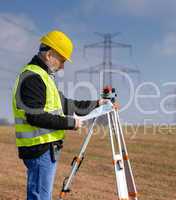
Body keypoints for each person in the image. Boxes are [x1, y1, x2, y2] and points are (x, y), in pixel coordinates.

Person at [12, 30, 108, 200]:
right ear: (49, 55)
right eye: (62, 60)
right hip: (39, 148)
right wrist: (71, 123)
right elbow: (36, 117)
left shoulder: (44, 77)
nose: (63, 66)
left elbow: (66, 104)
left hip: (44, 149)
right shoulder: (32, 77)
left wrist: (96, 103)